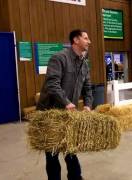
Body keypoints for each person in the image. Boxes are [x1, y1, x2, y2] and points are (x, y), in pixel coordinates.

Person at [36, 29, 93, 180]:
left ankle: (76, 177)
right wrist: (66, 102)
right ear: (76, 40)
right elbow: (52, 84)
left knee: (71, 149)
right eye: (86, 38)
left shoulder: (84, 64)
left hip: (68, 113)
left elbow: (87, 87)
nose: (89, 41)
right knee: (53, 153)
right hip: (50, 112)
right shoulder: (59, 58)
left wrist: (87, 105)